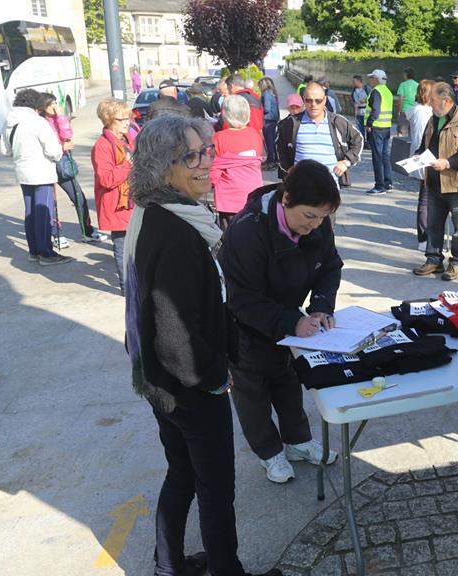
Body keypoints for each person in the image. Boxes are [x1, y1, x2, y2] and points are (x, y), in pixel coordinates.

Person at [122, 115, 282, 576]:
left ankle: (168, 566)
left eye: (205, 151)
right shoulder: (174, 232)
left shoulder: (159, 213)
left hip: (163, 382)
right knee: (214, 488)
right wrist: (215, 376)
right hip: (189, 387)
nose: (204, 163)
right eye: (189, 157)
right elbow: (174, 332)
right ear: (161, 168)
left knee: (183, 473)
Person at [218, 159, 343, 484]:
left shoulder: (316, 223)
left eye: (323, 217)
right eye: (309, 216)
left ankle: (298, 441)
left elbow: (330, 266)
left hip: (286, 321)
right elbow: (242, 298)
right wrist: (291, 321)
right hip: (244, 327)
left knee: (288, 383)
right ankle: (269, 452)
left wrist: (320, 306)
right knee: (253, 395)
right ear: (286, 199)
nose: (316, 225)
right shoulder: (247, 232)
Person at [412, 82, 458, 281]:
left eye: (433, 100)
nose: (429, 103)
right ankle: (433, 259)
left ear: (446, 100)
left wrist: (448, 163)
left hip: (456, 184)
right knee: (433, 225)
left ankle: (457, 263)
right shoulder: (433, 118)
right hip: (433, 182)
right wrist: (417, 156)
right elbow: (425, 145)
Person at [2, 89, 72, 266]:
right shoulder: (38, 122)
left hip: (22, 173)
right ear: (36, 105)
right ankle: (46, 253)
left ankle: (34, 251)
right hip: (41, 173)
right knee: (43, 212)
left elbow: (4, 150)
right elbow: (54, 151)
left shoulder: (10, 121)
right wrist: (61, 149)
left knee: (30, 213)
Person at [38, 92, 104, 244]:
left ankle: (87, 231)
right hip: (48, 164)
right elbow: (45, 147)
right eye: (50, 104)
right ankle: (55, 234)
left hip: (63, 164)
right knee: (51, 201)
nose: (54, 107)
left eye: (55, 103)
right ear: (42, 107)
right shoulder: (41, 123)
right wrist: (62, 147)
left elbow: (67, 134)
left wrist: (61, 117)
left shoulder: (57, 119)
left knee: (78, 196)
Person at [277, 82, 362, 186]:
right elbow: (279, 146)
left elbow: (358, 139)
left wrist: (346, 162)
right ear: (303, 100)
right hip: (300, 187)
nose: (313, 104)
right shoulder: (291, 123)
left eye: (318, 100)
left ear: (325, 100)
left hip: (330, 187)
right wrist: (288, 167)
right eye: (309, 100)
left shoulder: (337, 122)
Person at [92, 98, 135, 291]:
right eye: (122, 119)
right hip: (117, 204)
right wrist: (128, 165)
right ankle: (128, 288)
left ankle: (136, 284)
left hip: (132, 201)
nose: (127, 122)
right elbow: (106, 179)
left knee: (135, 247)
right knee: (123, 248)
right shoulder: (102, 146)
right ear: (108, 120)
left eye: (128, 117)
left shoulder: (126, 139)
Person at [211, 95, 264, 228]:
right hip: (253, 194)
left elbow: (213, 169)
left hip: (229, 200)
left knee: (230, 234)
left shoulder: (218, 138)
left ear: (225, 115)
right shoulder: (254, 134)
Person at [408, 79, 436, 250]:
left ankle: (427, 234)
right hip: (426, 160)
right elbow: (421, 139)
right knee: (425, 199)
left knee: (427, 199)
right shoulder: (422, 112)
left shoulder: (421, 110)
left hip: (426, 159)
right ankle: (424, 237)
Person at [364, 69, 394, 195]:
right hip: (386, 127)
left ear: (376, 79)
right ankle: (388, 183)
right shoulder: (387, 91)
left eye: (371, 77)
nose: (370, 80)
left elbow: (375, 110)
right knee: (385, 156)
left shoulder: (376, 91)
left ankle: (379, 186)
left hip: (376, 128)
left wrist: (369, 123)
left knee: (377, 157)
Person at [259, 76, 280, 169]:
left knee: (269, 142)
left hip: (267, 120)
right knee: (272, 141)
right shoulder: (273, 93)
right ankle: (273, 160)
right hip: (273, 120)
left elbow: (267, 108)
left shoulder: (266, 93)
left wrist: (259, 110)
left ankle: (271, 162)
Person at [395, 68, 419, 135]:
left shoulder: (403, 85)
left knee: (401, 133)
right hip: (414, 111)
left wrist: (399, 111)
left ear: (406, 74)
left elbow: (400, 100)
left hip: (404, 111)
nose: (403, 75)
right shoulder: (417, 85)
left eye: (403, 74)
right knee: (412, 133)